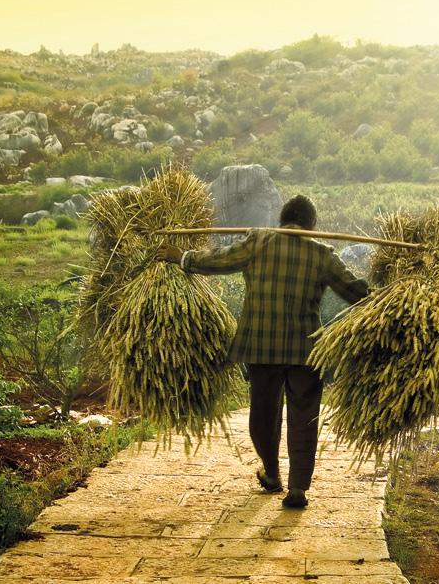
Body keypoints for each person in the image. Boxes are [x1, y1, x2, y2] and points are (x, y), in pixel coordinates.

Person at [157, 195, 369, 508]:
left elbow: (219, 260)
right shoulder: (322, 254)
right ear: (311, 226)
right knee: (304, 419)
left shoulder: (258, 241)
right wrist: (396, 296)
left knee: (263, 416)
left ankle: (272, 473)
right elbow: (357, 293)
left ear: (281, 221)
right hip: (305, 350)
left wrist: (182, 258)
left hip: (261, 347)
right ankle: (297, 489)